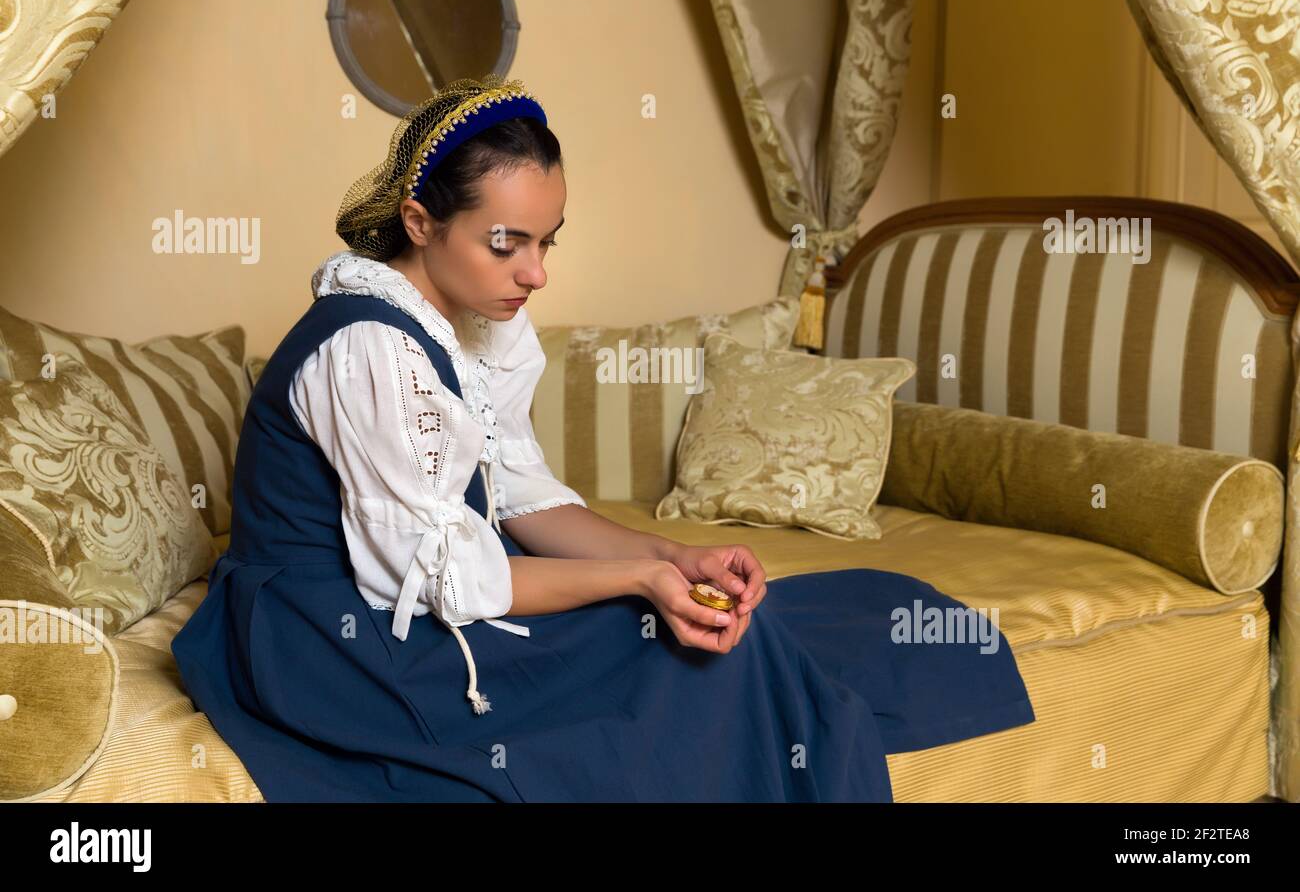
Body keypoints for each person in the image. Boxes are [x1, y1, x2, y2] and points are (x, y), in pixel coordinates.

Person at [171, 74, 1035, 802]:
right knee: (689, 659)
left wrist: (674, 556)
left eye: (547, 242)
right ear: (421, 222)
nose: (536, 273)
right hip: (331, 642)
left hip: (422, 591)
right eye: (506, 243)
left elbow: (519, 497)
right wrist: (638, 579)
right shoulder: (369, 348)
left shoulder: (476, 319)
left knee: (753, 624)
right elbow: (449, 579)